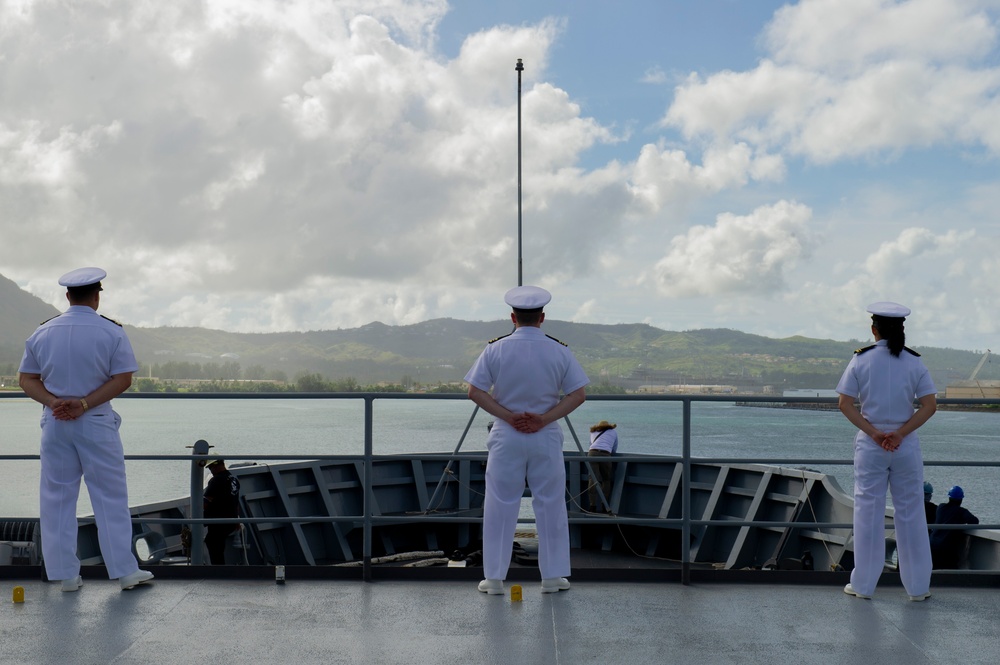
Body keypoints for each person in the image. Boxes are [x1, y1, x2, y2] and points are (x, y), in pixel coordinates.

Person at [17, 267, 154, 591]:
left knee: (56, 498)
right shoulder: (111, 332)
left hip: (55, 423)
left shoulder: (42, 332)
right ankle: (124, 572)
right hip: (94, 423)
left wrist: (54, 403)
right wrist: (85, 404)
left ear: (67, 296)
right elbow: (122, 379)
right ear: (97, 296)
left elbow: (26, 379)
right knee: (109, 496)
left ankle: (65, 575)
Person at [465, 286, 589, 595]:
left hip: (506, 435)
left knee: (499, 503)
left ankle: (494, 579)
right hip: (544, 435)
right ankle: (552, 577)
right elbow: (578, 394)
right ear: (542, 318)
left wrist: (508, 417)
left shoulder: (495, 349)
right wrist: (544, 419)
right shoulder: (560, 350)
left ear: (512, 317)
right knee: (550, 504)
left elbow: (474, 391)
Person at [836, 302, 936, 602]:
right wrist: (900, 433)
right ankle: (918, 588)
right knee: (912, 514)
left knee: (868, 512)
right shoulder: (915, 362)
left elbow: (845, 403)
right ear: (901, 329)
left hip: (872, 444)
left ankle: (864, 585)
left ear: (873, 329)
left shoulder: (860, 361)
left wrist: (876, 434)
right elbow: (930, 406)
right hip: (905, 446)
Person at [202, 458, 242, 564]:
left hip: (218, 521)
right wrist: (237, 519)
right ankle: (220, 569)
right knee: (218, 545)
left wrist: (199, 516)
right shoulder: (233, 479)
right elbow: (235, 501)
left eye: (210, 467)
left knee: (212, 543)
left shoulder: (217, 480)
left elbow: (206, 500)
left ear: (215, 466)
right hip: (231, 521)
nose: (211, 470)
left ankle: (218, 571)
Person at [930, 485, 980, 569]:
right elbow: (974, 521)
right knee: (950, 571)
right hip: (947, 548)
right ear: (961, 499)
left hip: (932, 545)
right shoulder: (961, 512)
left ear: (949, 497)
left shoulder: (941, 507)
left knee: (933, 572)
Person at [587, 420, 618, 513]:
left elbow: (590, 444)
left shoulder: (593, 431)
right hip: (605, 454)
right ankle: (604, 505)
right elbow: (614, 447)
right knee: (606, 479)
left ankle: (592, 506)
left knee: (593, 479)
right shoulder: (613, 432)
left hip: (592, 453)